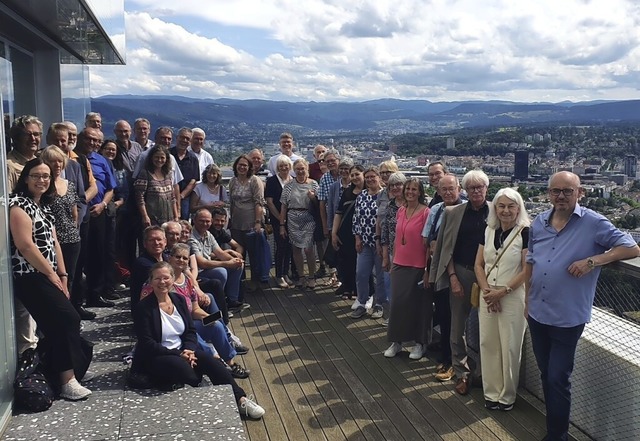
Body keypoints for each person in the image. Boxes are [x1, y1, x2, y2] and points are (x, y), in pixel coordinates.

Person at [525, 171, 639, 441]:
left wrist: (593, 261)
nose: (561, 196)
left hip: (567, 317)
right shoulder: (540, 222)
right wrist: (527, 301)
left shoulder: (593, 222)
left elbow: (632, 249)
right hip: (537, 312)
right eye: (556, 191)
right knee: (546, 374)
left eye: (567, 191)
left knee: (557, 378)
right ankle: (554, 428)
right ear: (549, 193)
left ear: (580, 192)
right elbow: (530, 261)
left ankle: (558, 435)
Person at [132, 262, 265, 419]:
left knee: (213, 364)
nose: (162, 282)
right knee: (191, 376)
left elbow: (190, 331)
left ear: (172, 279)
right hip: (157, 354)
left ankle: (241, 399)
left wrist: (188, 349)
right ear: (151, 281)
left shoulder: (179, 300)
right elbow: (147, 343)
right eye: (157, 278)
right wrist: (180, 353)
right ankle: (168, 377)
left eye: (166, 278)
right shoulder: (143, 308)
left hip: (184, 350)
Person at [9, 158, 93, 400]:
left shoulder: (44, 207)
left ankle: (62, 371)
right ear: (26, 178)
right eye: (36, 175)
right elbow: (26, 246)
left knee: (61, 322)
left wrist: (63, 276)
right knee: (66, 319)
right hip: (30, 276)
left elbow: (55, 243)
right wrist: (51, 273)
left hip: (49, 275)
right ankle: (67, 380)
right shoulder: (19, 205)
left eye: (46, 176)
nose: (42, 180)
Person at [140, 246, 249, 378]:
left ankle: (230, 363)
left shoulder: (187, 281)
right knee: (194, 334)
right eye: (177, 256)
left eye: (185, 258)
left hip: (190, 321)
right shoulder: (158, 282)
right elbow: (146, 309)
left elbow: (195, 309)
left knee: (216, 324)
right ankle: (215, 361)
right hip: (171, 328)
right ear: (170, 257)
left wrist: (208, 317)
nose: (181, 260)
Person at [429, 170, 490, 396]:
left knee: (488, 328)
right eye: (471, 187)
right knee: (457, 327)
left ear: (486, 188)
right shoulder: (453, 212)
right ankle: (462, 373)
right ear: (464, 190)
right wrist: (452, 277)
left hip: (488, 275)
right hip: (462, 272)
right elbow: (446, 247)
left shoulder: (497, 211)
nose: (476, 191)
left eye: (480, 187)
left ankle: (484, 374)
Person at [474, 187, 530, 411]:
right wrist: (488, 291)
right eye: (501, 206)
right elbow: (479, 264)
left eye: (511, 206)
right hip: (487, 293)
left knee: (509, 346)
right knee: (488, 343)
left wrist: (502, 291)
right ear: (494, 208)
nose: (506, 211)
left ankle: (507, 396)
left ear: (519, 209)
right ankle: (491, 392)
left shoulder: (526, 232)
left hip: (512, 295)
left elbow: (527, 270)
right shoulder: (488, 230)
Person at [422, 173, 466, 382]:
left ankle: (453, 362)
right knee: (444, 314)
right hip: (439, 269)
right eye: (444, 190)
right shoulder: (436, 210)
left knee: (457, 318)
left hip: (460, 269)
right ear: (438, 192)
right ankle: (447, 358)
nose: (448, 192)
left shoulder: (466, 210)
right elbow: (426, 239)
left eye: (451, 188)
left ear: (459, 189)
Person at [384, 178, 430, 359]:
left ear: (420, 192)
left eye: (414, 189)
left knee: (418, 306)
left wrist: (427, 269)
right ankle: (397, 342)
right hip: (400, 264)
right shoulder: (401, 211)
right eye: (408, 189)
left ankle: (419, 343)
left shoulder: (426, 213)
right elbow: (396, 238)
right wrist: (393, 260)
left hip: (418, 265)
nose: (410, 192)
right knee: (397, 305)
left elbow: (427, 244)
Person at [76, 128, 119, 307]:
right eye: (89, 139)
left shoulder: (102, 160)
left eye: (96, 141)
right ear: (80, 138)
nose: (93, 143)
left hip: (97, 212)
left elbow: (111, 188)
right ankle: (77, 297)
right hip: (77, 214)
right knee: (79, 256)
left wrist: (102, 205)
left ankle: (95, 294)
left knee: (98, 254)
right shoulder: (72, 158)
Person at [40, 146, 82, 310]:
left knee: (69, 278)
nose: (57, 164)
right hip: (50, 242)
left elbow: (74, 212)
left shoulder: (69, 185)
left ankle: (68, 313)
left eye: (59, 160)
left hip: (72, 239)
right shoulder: (43, 186)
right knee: (54, 280)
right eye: (52, 161)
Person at [189, 208, 246, 311]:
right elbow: (202, 263)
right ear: (194, 220)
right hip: (198, 273)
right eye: (202, 220)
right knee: (221, 271)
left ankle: (231, 301)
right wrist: (228, 263)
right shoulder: (191, 238)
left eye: (207, 221)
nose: (205, 224)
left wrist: (235, 261)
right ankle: (221, 304)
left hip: (208, 268)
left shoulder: (208, 234)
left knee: (238, 266)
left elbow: (220, 253)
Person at [351, 166, 387, 319]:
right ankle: (361, 302)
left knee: (380, 275)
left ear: (379, 177)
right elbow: (356, 218)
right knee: (361, 273)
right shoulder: (362, 195)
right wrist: (357, 237)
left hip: (380, 243)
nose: (371, 179)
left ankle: (379, 304)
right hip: (365, 242)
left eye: (373, 176)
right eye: (368, 177)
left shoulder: (385, 196)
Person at [279, 158, 319, 289]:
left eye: (303, 169)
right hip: (293, 219)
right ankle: (301, 276)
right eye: (298, 169)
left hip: (308, 218)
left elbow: (319, 205)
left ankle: (312, 276)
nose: (300, 171)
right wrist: (282, 226)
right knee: (296, 249)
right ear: (294, 170)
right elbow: (284, 206)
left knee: (308, 249)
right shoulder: (289, 186)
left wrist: (313, 198)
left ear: (307, 169)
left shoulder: (314, 184)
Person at [228, 155, 265, 290]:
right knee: (238, 253)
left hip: (251, 222)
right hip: (236, 223)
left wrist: (257, 222)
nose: (242, 167)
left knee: (254, 254)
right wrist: (230, 220)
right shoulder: (233, 181)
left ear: (249, 167)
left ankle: (256, 281)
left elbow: (259, 202)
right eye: (240, 165)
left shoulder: (255, 181)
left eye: (245, 165)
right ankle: (240, 280)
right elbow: (231, 202)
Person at [331, 164, 364, 301]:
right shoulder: (347, 192)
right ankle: (348, 287)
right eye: (352, 175)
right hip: (345, 231)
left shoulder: (369, 192)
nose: (355, 177)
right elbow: (338, 213)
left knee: (360, 263)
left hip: (362, 233)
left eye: (357, 174)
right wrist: (334, 233)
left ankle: (359, 290)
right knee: (346, 262)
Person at [380, 171, 407, 325]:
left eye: (399, 184)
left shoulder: (415, 205)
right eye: (392, 185)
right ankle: (395, 316)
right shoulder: (390, 206)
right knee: (390, 285)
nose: (396, 188)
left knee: (405, 289)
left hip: (409, 255)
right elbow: (385, 231)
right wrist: (385, 256)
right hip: (391, 252)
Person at [265, 155, 293, 288]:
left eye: (286, 165)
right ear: (277, 167)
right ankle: (279, 275)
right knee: (280, 246)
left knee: (289, 247)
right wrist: (281, 218)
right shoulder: (271, 181)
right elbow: (269, 202)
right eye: (281, 166)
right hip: (277, 220)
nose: (283, 168)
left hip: (291, 220)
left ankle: (286, 272)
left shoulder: (292, 181)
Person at [135, 144, 179, 227]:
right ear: (151, 158)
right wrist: (145, 216)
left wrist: (176, 216)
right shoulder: (145, 173)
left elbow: (172, 197)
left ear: (166, 159)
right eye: (156, 157)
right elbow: (139, 197)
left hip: (168, 219)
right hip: (152, 219)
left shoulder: (168, 174)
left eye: (162, 158)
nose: (159, 160)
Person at [170, 128, 200, 219]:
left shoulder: (193, 158)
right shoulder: (168, 155)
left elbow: (193, 180)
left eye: (187, 139)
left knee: (184, 220)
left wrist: (181, 195)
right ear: (177, 137)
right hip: (168, 195)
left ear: (190, 141)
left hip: (185, 197)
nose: (184, 140)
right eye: (182, 137)